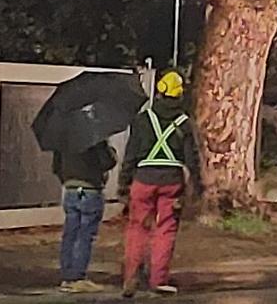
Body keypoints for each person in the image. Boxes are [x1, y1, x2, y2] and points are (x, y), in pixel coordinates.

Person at [118, 70, 202, 297]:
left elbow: (131, 154)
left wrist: (123, 185)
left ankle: (131, 276)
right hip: (172, 182)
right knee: (165, 229)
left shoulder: (143, 119)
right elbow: (192, 159)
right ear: (180, 95)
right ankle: (159, 280)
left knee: (137, 228)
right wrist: (198, 186)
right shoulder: (184, 122)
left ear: (159, 92)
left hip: (143, 180)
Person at [53, 141, 117, 293]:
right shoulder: (95, 136)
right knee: (85, 235)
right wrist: (110, 149)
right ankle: (78, 277)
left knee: (70, 234)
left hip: (71, 190)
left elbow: (56, 167)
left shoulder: (63, 138)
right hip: (90, 189)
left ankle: (67, 276)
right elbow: (108, 162)